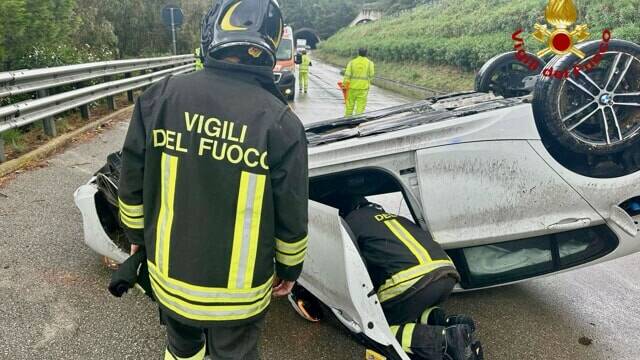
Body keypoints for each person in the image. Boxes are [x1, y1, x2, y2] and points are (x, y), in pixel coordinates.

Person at [117, 1, 309, 359]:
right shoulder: (281, 122)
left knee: (181, 349)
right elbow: (292, 214)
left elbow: (131, 184)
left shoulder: (159, 98)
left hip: (171, 278)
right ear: (269, 44)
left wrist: (136, 240)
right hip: (239, 297)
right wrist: (289, 269)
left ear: (211, 34)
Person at [291, 196, 482, 360]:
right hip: (445, 274)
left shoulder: (351, 222)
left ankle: (444, 341)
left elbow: (353, 268)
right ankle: (450, 323)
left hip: (409, 283)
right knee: (413, 308)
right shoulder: (396, 218)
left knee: (380, 330)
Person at [343, 48, 375, 116]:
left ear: (358, 53)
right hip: (363, 89)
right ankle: (357, 122)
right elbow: (371, 75)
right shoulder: (370, 63)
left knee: (349, 105)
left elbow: (347, 75)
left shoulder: (352, 62)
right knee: (360, 106)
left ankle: (347, 120)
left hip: (352, 88)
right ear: (366, 53)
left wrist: (344, 85)